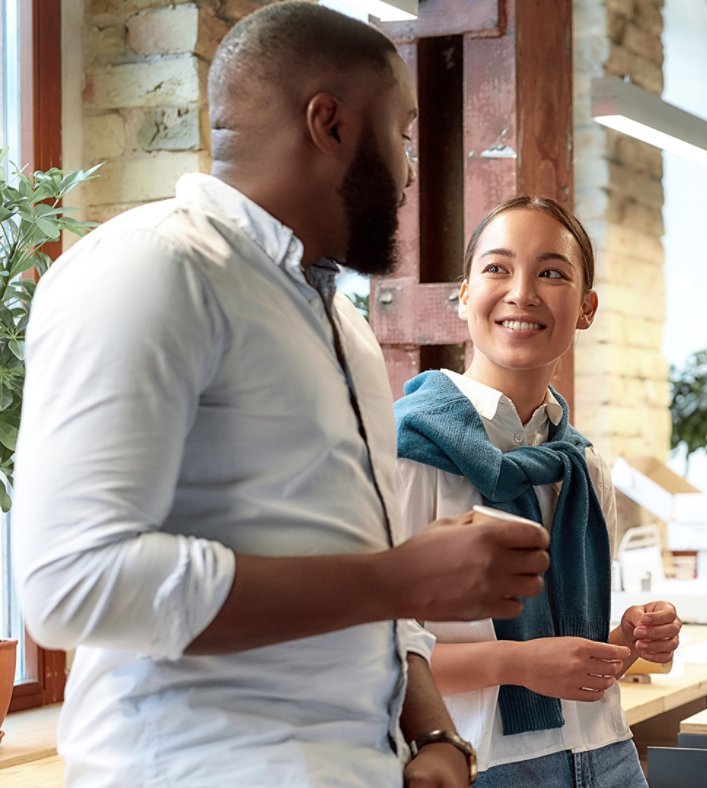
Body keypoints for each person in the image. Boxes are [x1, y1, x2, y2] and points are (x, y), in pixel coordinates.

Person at [13, 4, 552, 785]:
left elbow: (360, 577)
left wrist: (434, 733)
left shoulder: (343, 324)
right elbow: (72, 585)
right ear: (329, 124)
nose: (409, 172)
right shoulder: (150, 269)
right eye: (399, 136)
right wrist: (402, 576)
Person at [394, 195, 682, 787]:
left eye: (551, 272)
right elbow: (374, 655)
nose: (522, 292)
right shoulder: (407, 448)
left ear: (586, 308)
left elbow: (565, 659)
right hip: (479, 764)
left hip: (607, 754)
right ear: (463, 295)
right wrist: (518, 664)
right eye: (497, 268)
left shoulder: (581, 465)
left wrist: (626, 642)